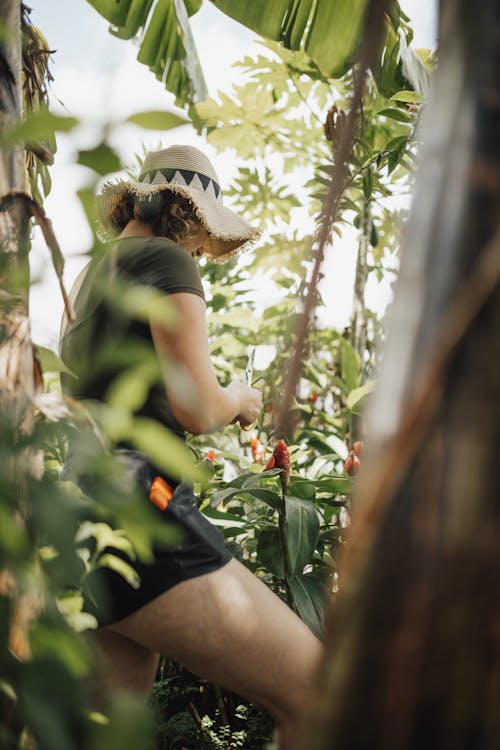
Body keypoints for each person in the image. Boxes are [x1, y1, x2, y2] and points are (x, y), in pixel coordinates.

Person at [59, 144, 322, 749]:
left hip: (83, 507)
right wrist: (240, 397)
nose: (203, 252)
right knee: (315, 692)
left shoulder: (92, 272)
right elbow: (198, 408)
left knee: (109, 730)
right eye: (203, 239)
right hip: (142, 507)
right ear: (188, 216)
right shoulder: (168, 262)